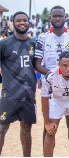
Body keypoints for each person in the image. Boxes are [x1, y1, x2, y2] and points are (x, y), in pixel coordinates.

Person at [34, 5, 69, 157]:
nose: (57, 18)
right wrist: (54, 75)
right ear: (50, 18)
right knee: (49, 125)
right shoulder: (43, 37)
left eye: (60, 16)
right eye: (54, 16)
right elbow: (37, 63)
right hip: (51, 88)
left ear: (65, 18)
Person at [0, 11, 37, 156]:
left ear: (28, 23)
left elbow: (37, 65)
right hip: (9, 94)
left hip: (28, 95)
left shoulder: (33, 43)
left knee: (26, 130)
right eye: (18, 20)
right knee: (2, 129)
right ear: (13, 23)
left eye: (24, 20)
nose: (22, 23)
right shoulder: (5, 44)